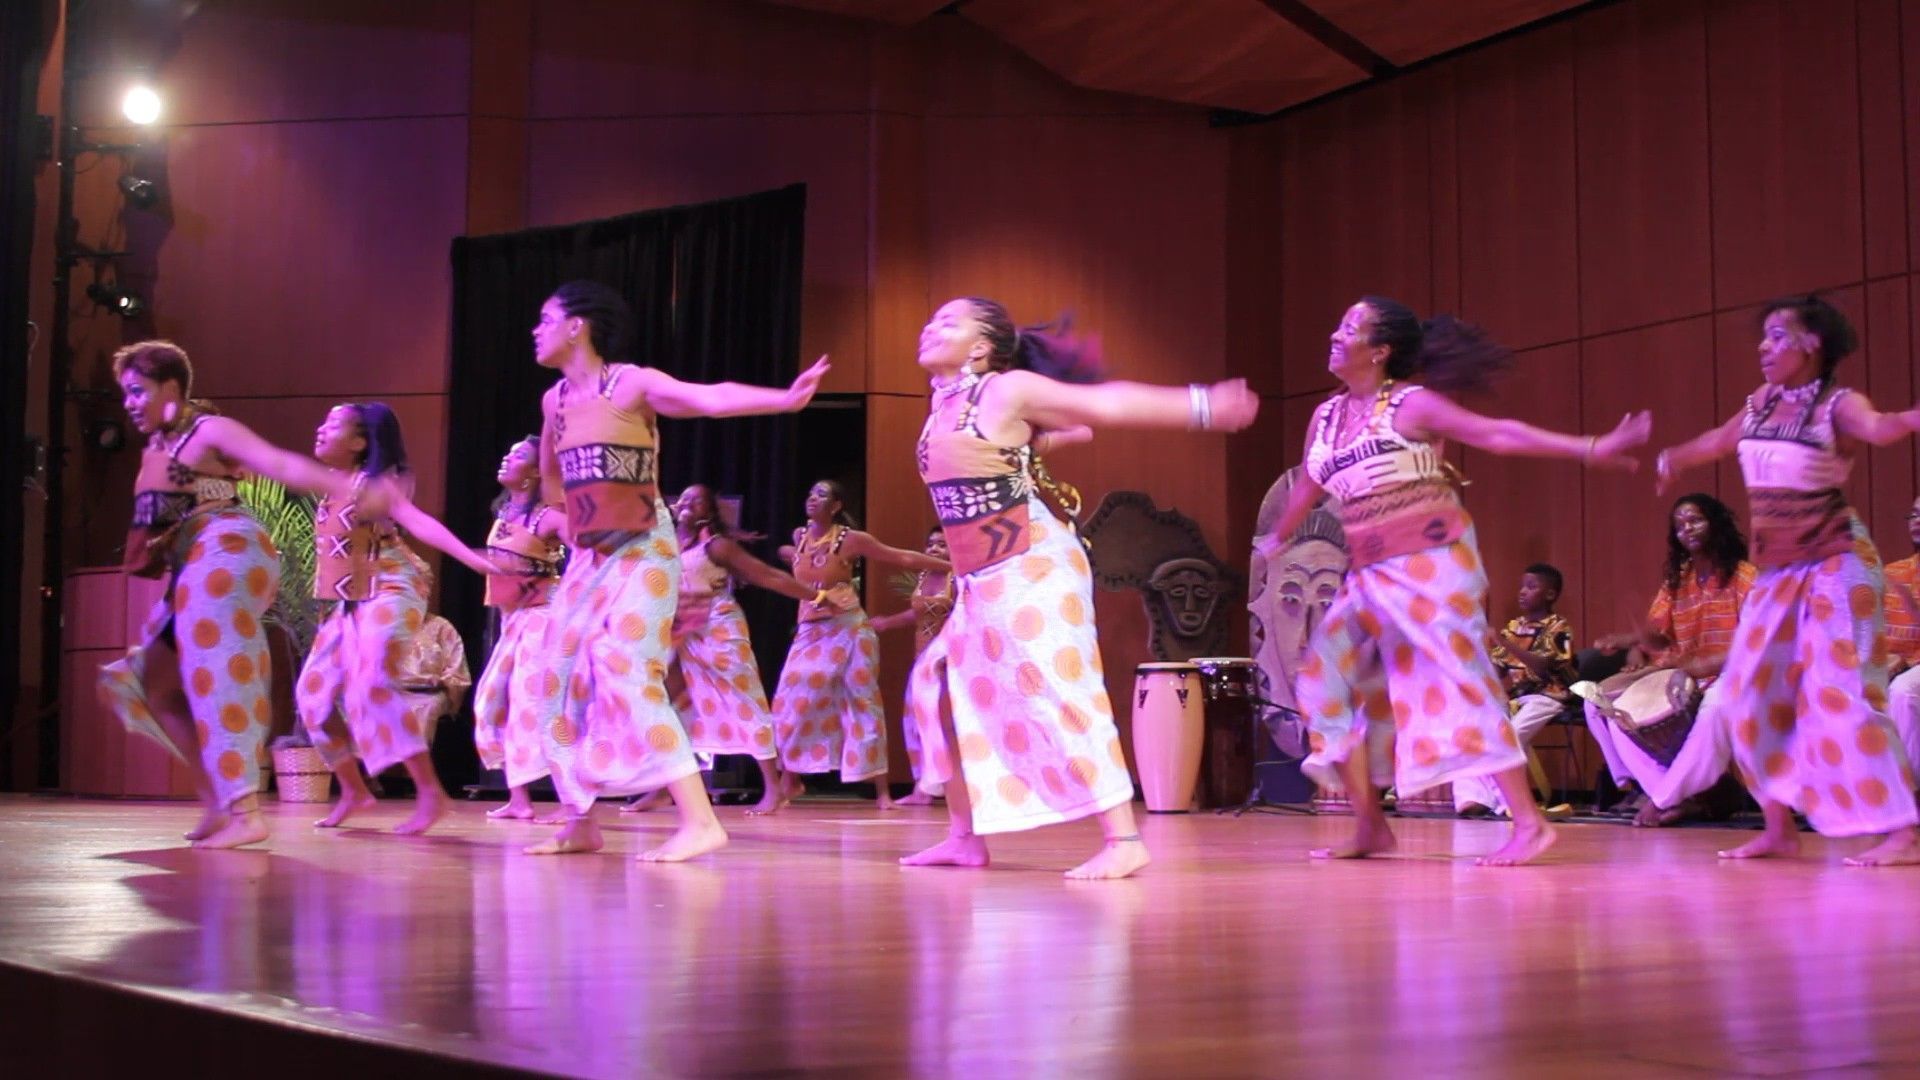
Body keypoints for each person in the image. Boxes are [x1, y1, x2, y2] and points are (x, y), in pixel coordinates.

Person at [1265, 296, 1648, 866]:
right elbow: (1308, 486)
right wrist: (1279, 536)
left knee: (1458, 684)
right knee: (1324, 683)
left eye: (1350, 328)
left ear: (1381, 349)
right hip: (1368, 573)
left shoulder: (1411, 405)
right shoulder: (1324, 418)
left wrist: (1589, 447)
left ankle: (1530, 824)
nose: (1335, 334)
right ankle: (1370, 825)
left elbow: (1499, 435)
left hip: (1429, 566)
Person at [902, 296, 1256, 880]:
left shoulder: (1004, 389)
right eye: (931, 316)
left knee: (1060, 691)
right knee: (944, 695)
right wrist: (1037, 446)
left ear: (982, 346)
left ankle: (1124, 839)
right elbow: (1053, 434)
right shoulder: (945, 404)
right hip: (982, 576)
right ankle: (965, 836)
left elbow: (1102, 405)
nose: (929, 325)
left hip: (1032, 565)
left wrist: (1201, 405)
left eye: (948, 321)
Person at [527, 280, 828, 860]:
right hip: (589, 558)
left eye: (546, 318)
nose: (536, 330)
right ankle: (580, 817)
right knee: (551, 680)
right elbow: (550, 477)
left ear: (576, 325)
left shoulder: (631, 381)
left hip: (643, 549)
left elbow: (708, 397)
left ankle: (700, 819)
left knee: (625, 667)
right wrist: (560, 520)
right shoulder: (554, 400)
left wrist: (785, 399)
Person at [1650, 293, 1920, 865]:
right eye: (1764, 336)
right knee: (1744, 694)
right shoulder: (1760, 403)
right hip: (1777, 573)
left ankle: (1902, 831)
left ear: (1812, 344)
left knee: (1840, 694)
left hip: (1834, 566)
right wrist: (1675, 456)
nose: (1764, 346)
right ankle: (1778, 825)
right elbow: (1720, 441)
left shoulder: (1839, 406)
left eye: (1777, 336)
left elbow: (1886, 427)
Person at [98, 340, 360, 849]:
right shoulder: (159, 449)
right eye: (124, 394)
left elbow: (277, 463)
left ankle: (244, 808)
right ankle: (220, 801)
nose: (129, 403)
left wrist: (347, 487)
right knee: (149, 684)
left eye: (137, 391)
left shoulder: (206, 430)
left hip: (228, 551)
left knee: (219, 676)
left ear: (171, 387)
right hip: (194, 565)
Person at [295, 403, 500, 836]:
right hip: (351, 602)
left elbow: (419, 523)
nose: (320, 429)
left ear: (359, 443)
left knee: (372, 681)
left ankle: (431, 793)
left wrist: (472, 560)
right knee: (312, 697)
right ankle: (354, 790)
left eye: (332, 425)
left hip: (392, 587)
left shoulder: (376, 484)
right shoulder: (332, 487)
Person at [771, 480, 949, 809]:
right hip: (810, 631)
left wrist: (951, 567)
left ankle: (882, 793)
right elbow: (793, 559)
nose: (813, 499)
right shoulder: (800, 537)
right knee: (789, 700)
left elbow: (902, 559)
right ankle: (791, 778)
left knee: (862, 704)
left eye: (822, 495)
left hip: (850, 630)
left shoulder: (850, 540)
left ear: (836, 505)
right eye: (810, 493)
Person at [668, 482, 843, 815]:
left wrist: (816, 596)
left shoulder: (717, 547)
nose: (689, 502)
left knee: (746, 705)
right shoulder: (667, 545)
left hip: (719, 630)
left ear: (710, 513)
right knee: (677, 707)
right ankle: (667, 787)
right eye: (684, 498)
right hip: (685, 635)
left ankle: (774, 789)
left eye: (699, 500)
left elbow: (767, 576)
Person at [1583, 494, 1755, 826]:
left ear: (1715, 524)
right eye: (1679, 525)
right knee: (1597, 700)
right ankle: (1674, 793)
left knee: (1713, 707)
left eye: (1695, 521)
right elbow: (1660, 635)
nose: (1686, 529)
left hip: (1729, 675)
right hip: (1680, 671)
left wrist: (1694, 668)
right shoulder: (1678, 578)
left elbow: (1751, 646)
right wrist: (1634, 639)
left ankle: (1666, 798)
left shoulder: (1745, 578)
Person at [471, 436, 566, 821]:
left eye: (518, 455)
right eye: (508, 451)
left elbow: (591, 550)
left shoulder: (550, 518)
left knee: (536, 706)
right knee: (496, 702)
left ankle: (575, 802)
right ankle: (520, 799)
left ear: (533, 475)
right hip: (514, 621)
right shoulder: (505, 514)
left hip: (543, 618)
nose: (507, 456)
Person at [1454, 563, 1578, 818]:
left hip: (1549, 696)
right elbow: (1497, 671)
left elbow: (1544, 668)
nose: (1522, 591)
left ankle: (1508, 805)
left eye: (1531, 587)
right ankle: (1472, 798)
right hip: (1518, 697)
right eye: (1522, 585)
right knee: (1473, 732)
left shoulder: (1559, 627)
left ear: (1550, 595)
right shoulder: (1514, 626)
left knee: (1509, 739)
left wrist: (1505, 642)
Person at [870, 526, 956, 805]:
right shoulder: (922, 577)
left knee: (946, 724)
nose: (934, 549)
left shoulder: (958, 580)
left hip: (949, 660)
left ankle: (957, 790)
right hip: (922, 658)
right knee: (915, 721)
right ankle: (923, 787)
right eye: (930, 544)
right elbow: (915, 614)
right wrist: (886, 622)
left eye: (941, 545)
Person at [1886, 496, 1920, 769]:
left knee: (1903, 690)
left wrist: (1906, 661)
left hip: (1913, 667)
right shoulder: (1893, 573)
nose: (1917, 521)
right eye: (1913, 515)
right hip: (1894, 663)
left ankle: (1911, 793)